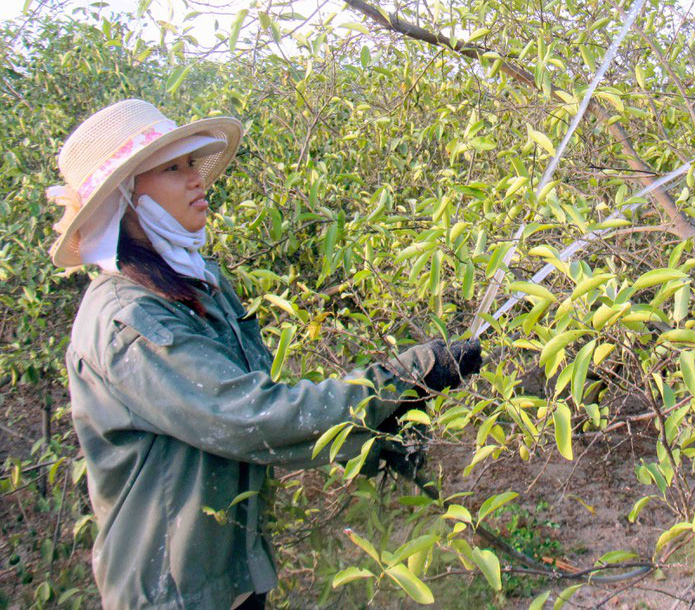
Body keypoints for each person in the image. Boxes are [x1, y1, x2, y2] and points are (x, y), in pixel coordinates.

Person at [46, 99, 481, 610]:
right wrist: (400, 378)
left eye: (193, 164)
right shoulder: (126, 317)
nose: (197, 181)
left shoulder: (197, 284)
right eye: (173, 168)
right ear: (123, 197)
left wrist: (373, 433)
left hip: (232, 579)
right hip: (171, 594)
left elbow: (263, 402)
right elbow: (246, 416)